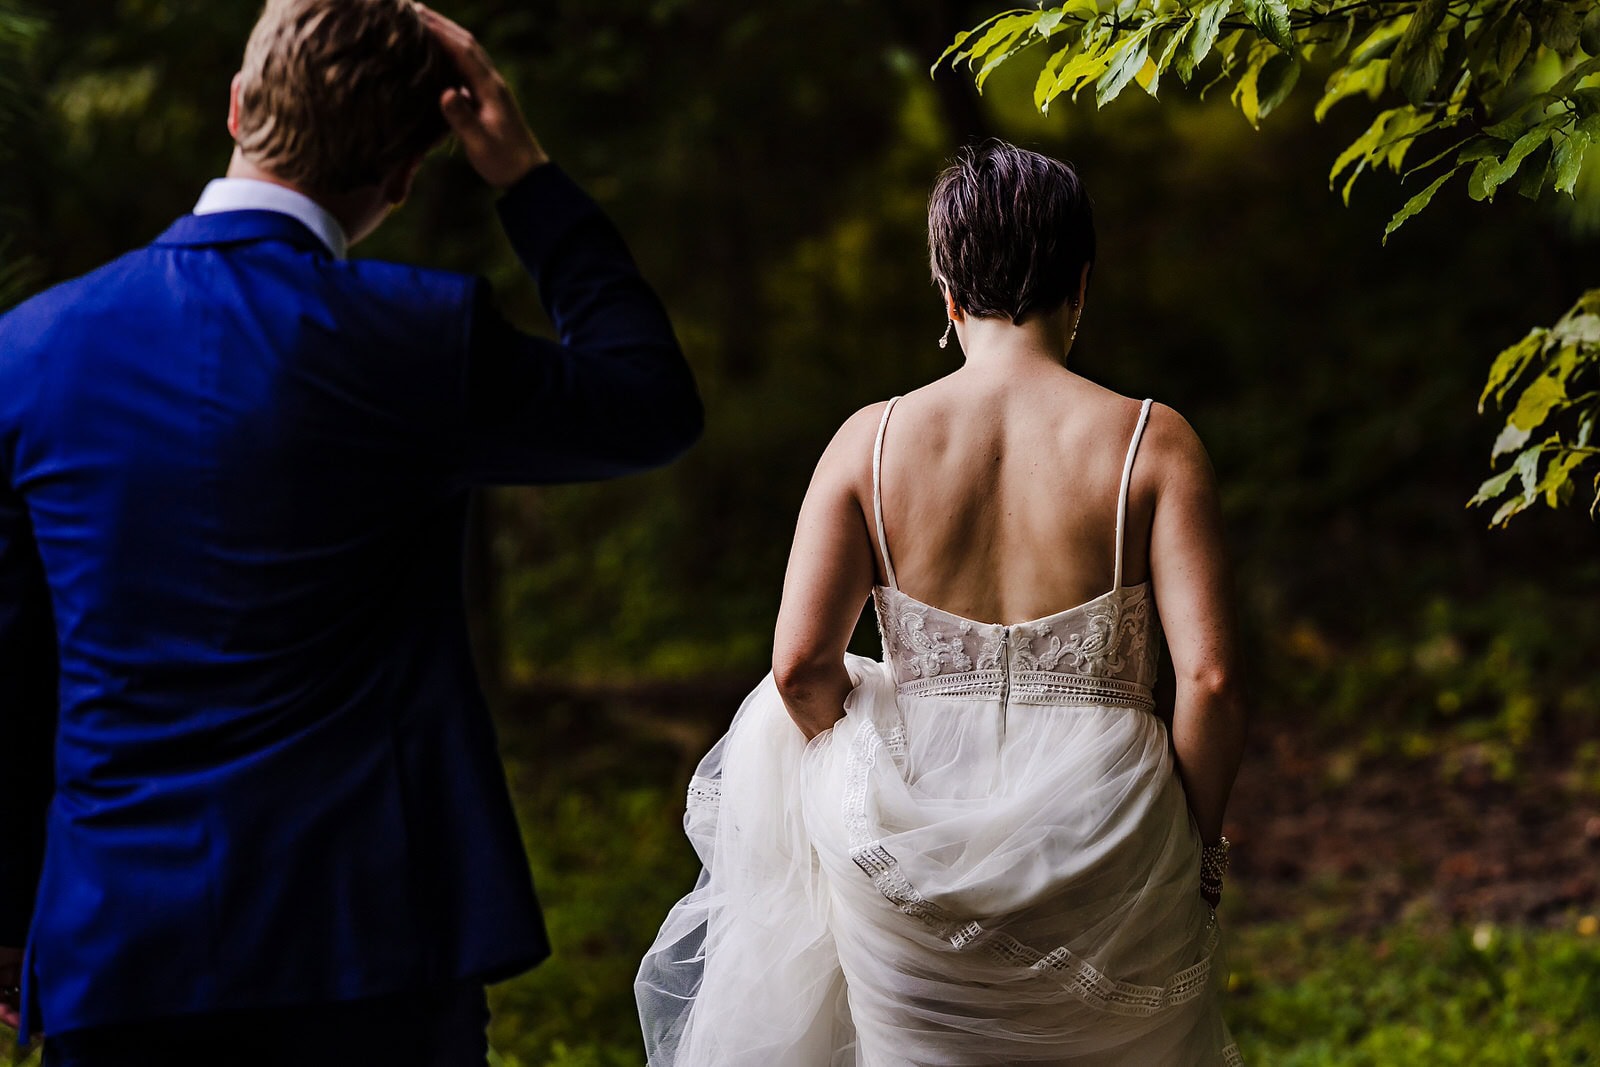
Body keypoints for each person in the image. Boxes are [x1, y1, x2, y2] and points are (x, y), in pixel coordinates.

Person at [0, 1, 702, 1063]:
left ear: (237, 106)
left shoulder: (28, 351)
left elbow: (10, 666)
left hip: (117, 951)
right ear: (408, 175)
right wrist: (527, 177)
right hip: (373, 945)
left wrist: (13, 918)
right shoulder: (418, 337)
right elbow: (650, 403)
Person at [637, 140, 1245, 1065]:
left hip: (908, 840)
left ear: (948, 294)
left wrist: (862, 765)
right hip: (1112, 832)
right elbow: (1209, 674)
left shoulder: (867, 444)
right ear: (1081, 282)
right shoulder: (1152, 443)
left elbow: (799, 667)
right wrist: (1193, 847)